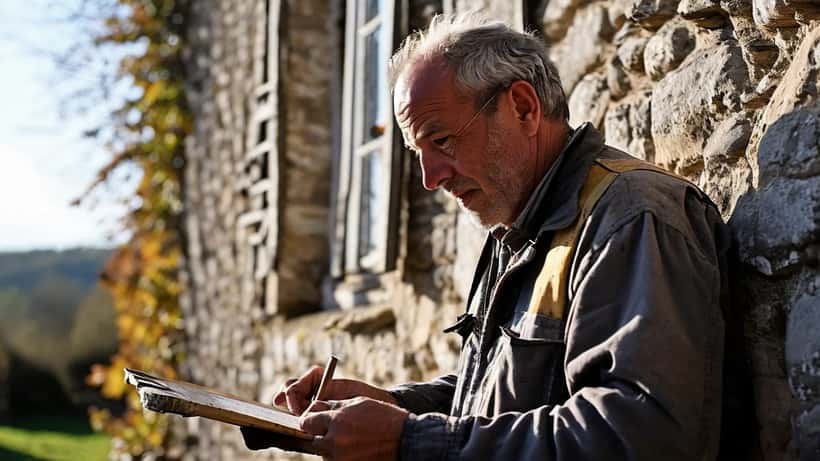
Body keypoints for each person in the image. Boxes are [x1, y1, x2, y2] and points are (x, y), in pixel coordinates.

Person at [243, 12, 733, 460]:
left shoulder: (630, 216)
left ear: (522, 106)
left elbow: (638, 436)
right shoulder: (522, 230)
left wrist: (408, 439)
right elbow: (503, 394)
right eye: (418, 153)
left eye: (441, 141)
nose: (430, 178)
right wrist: (392, 405)